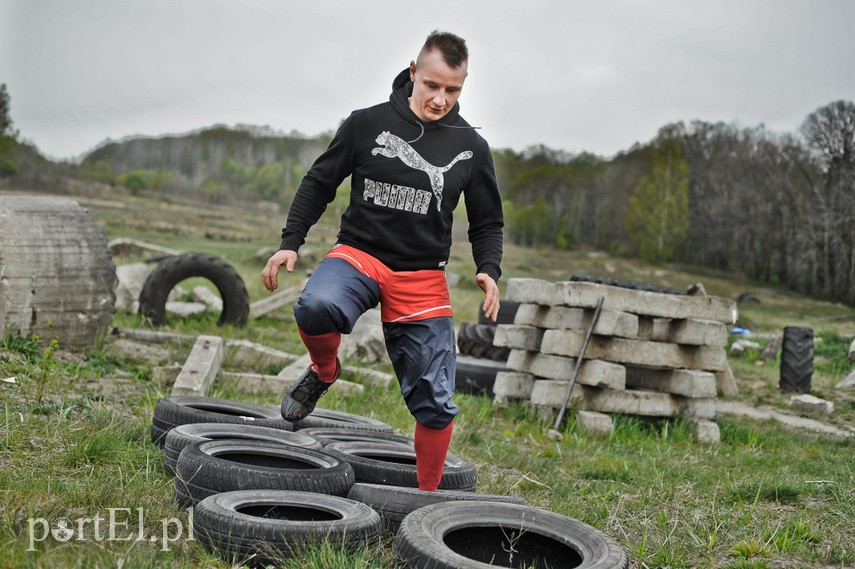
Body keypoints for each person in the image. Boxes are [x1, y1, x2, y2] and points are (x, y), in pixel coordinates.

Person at [261, 30, 503, 492]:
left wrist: (489, 270)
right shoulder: (366, 124)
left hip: (422, 275)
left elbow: (488, 221)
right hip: (359, 255)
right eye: (432, 85)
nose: (440, 99)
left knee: (435, 400)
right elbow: (319, 182)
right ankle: (324, 371)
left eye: (453, 90)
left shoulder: (470, 146)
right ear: (413, 72)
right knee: (316, 307)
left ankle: (425, 503)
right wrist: (291, 241)